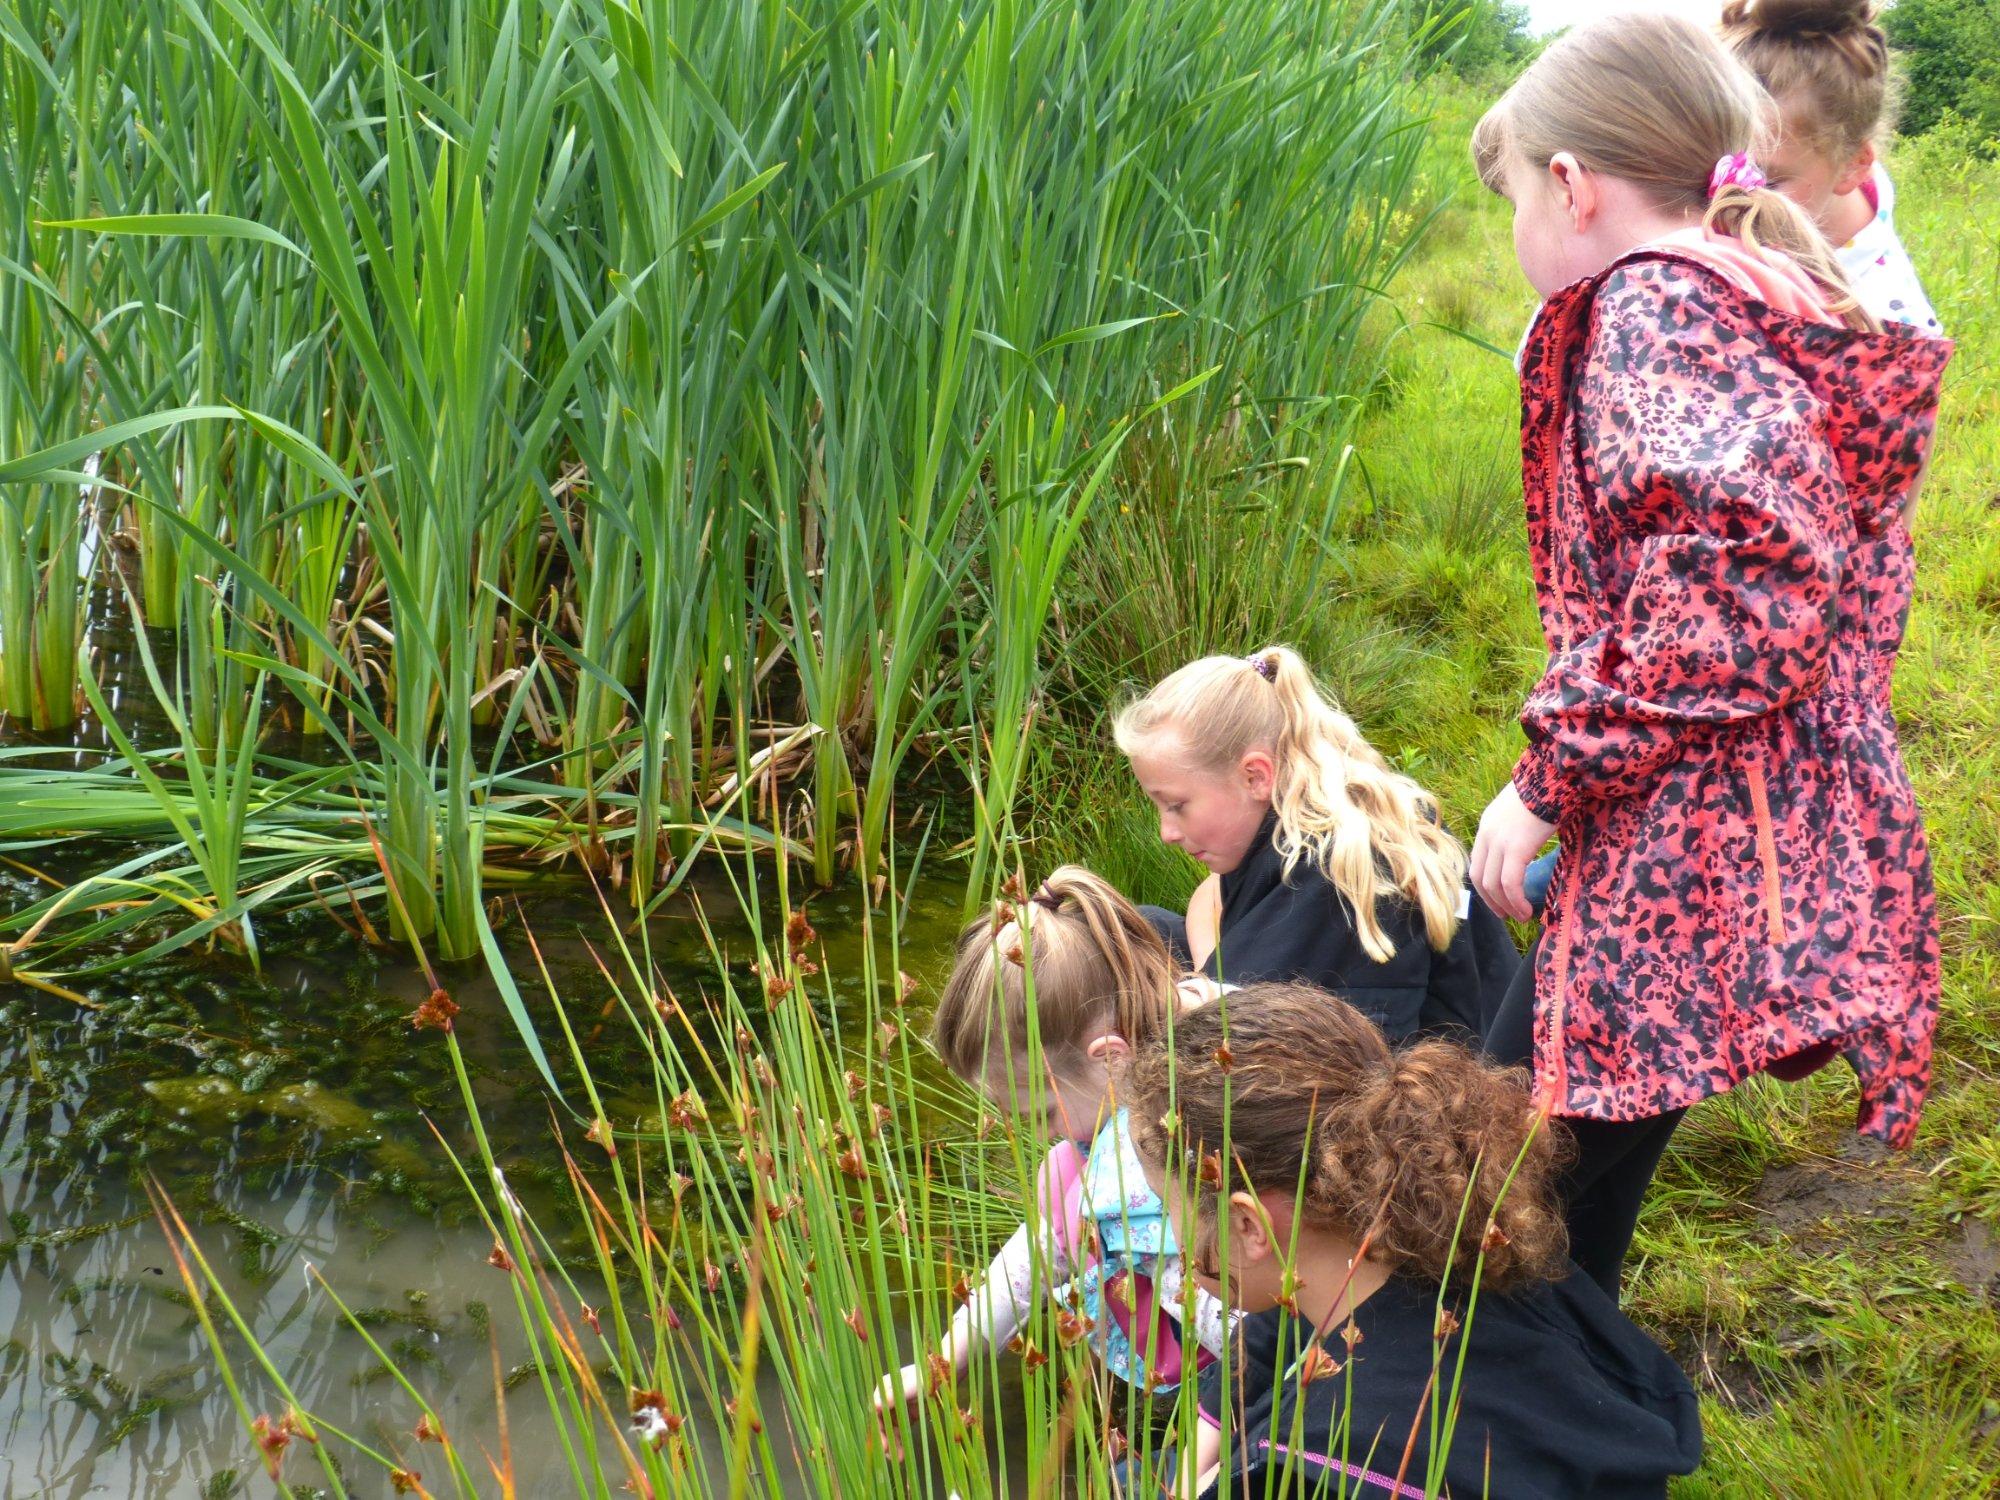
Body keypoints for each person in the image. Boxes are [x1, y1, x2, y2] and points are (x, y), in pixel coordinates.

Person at [1466, 12, 1951, 1298]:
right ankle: (1551, 1416)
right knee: (1549, 1180)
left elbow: (1748, 581)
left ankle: (1539, 1437)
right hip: (1724, 825)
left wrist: (1545, 778)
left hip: (1681, 843)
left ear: (1569, 185)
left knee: (1504, 1206)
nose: (1513, 233)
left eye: (1513, 197)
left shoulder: (1652, 306)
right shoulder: (1741, 284)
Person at [1122, 985, 1703, 1498]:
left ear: (1248, 1225)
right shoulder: (1487, 1266)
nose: (1172, 1234)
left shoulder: (1325, 1466)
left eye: (1167, 1204)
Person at [879, 866, 1232, 1421]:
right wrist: (943, 1361)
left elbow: (1260, 1326)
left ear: (1111, 1058)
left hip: (1292, 1335)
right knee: (1064, 1174)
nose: (1039, 1133)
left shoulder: (1229, 1101)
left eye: (1043, 1112)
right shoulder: (1158, 1047)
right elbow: (1041, 1251)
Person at [1114, 647, 1516, 1046]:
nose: (1167, 832)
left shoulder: (1335, 874)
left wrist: (1195, 990)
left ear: (1255, 776)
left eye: (1176, 805)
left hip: (1454, 1091)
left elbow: (1250, 1052)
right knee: (1132, 933)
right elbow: (1209, 899)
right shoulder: (1313, 819)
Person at [1721, 0, 1943, 336]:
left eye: (1766, 181)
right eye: (1714, 166)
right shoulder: (1806, 184)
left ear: (1852, 166)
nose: (1723, 198)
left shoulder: (1885, 330)